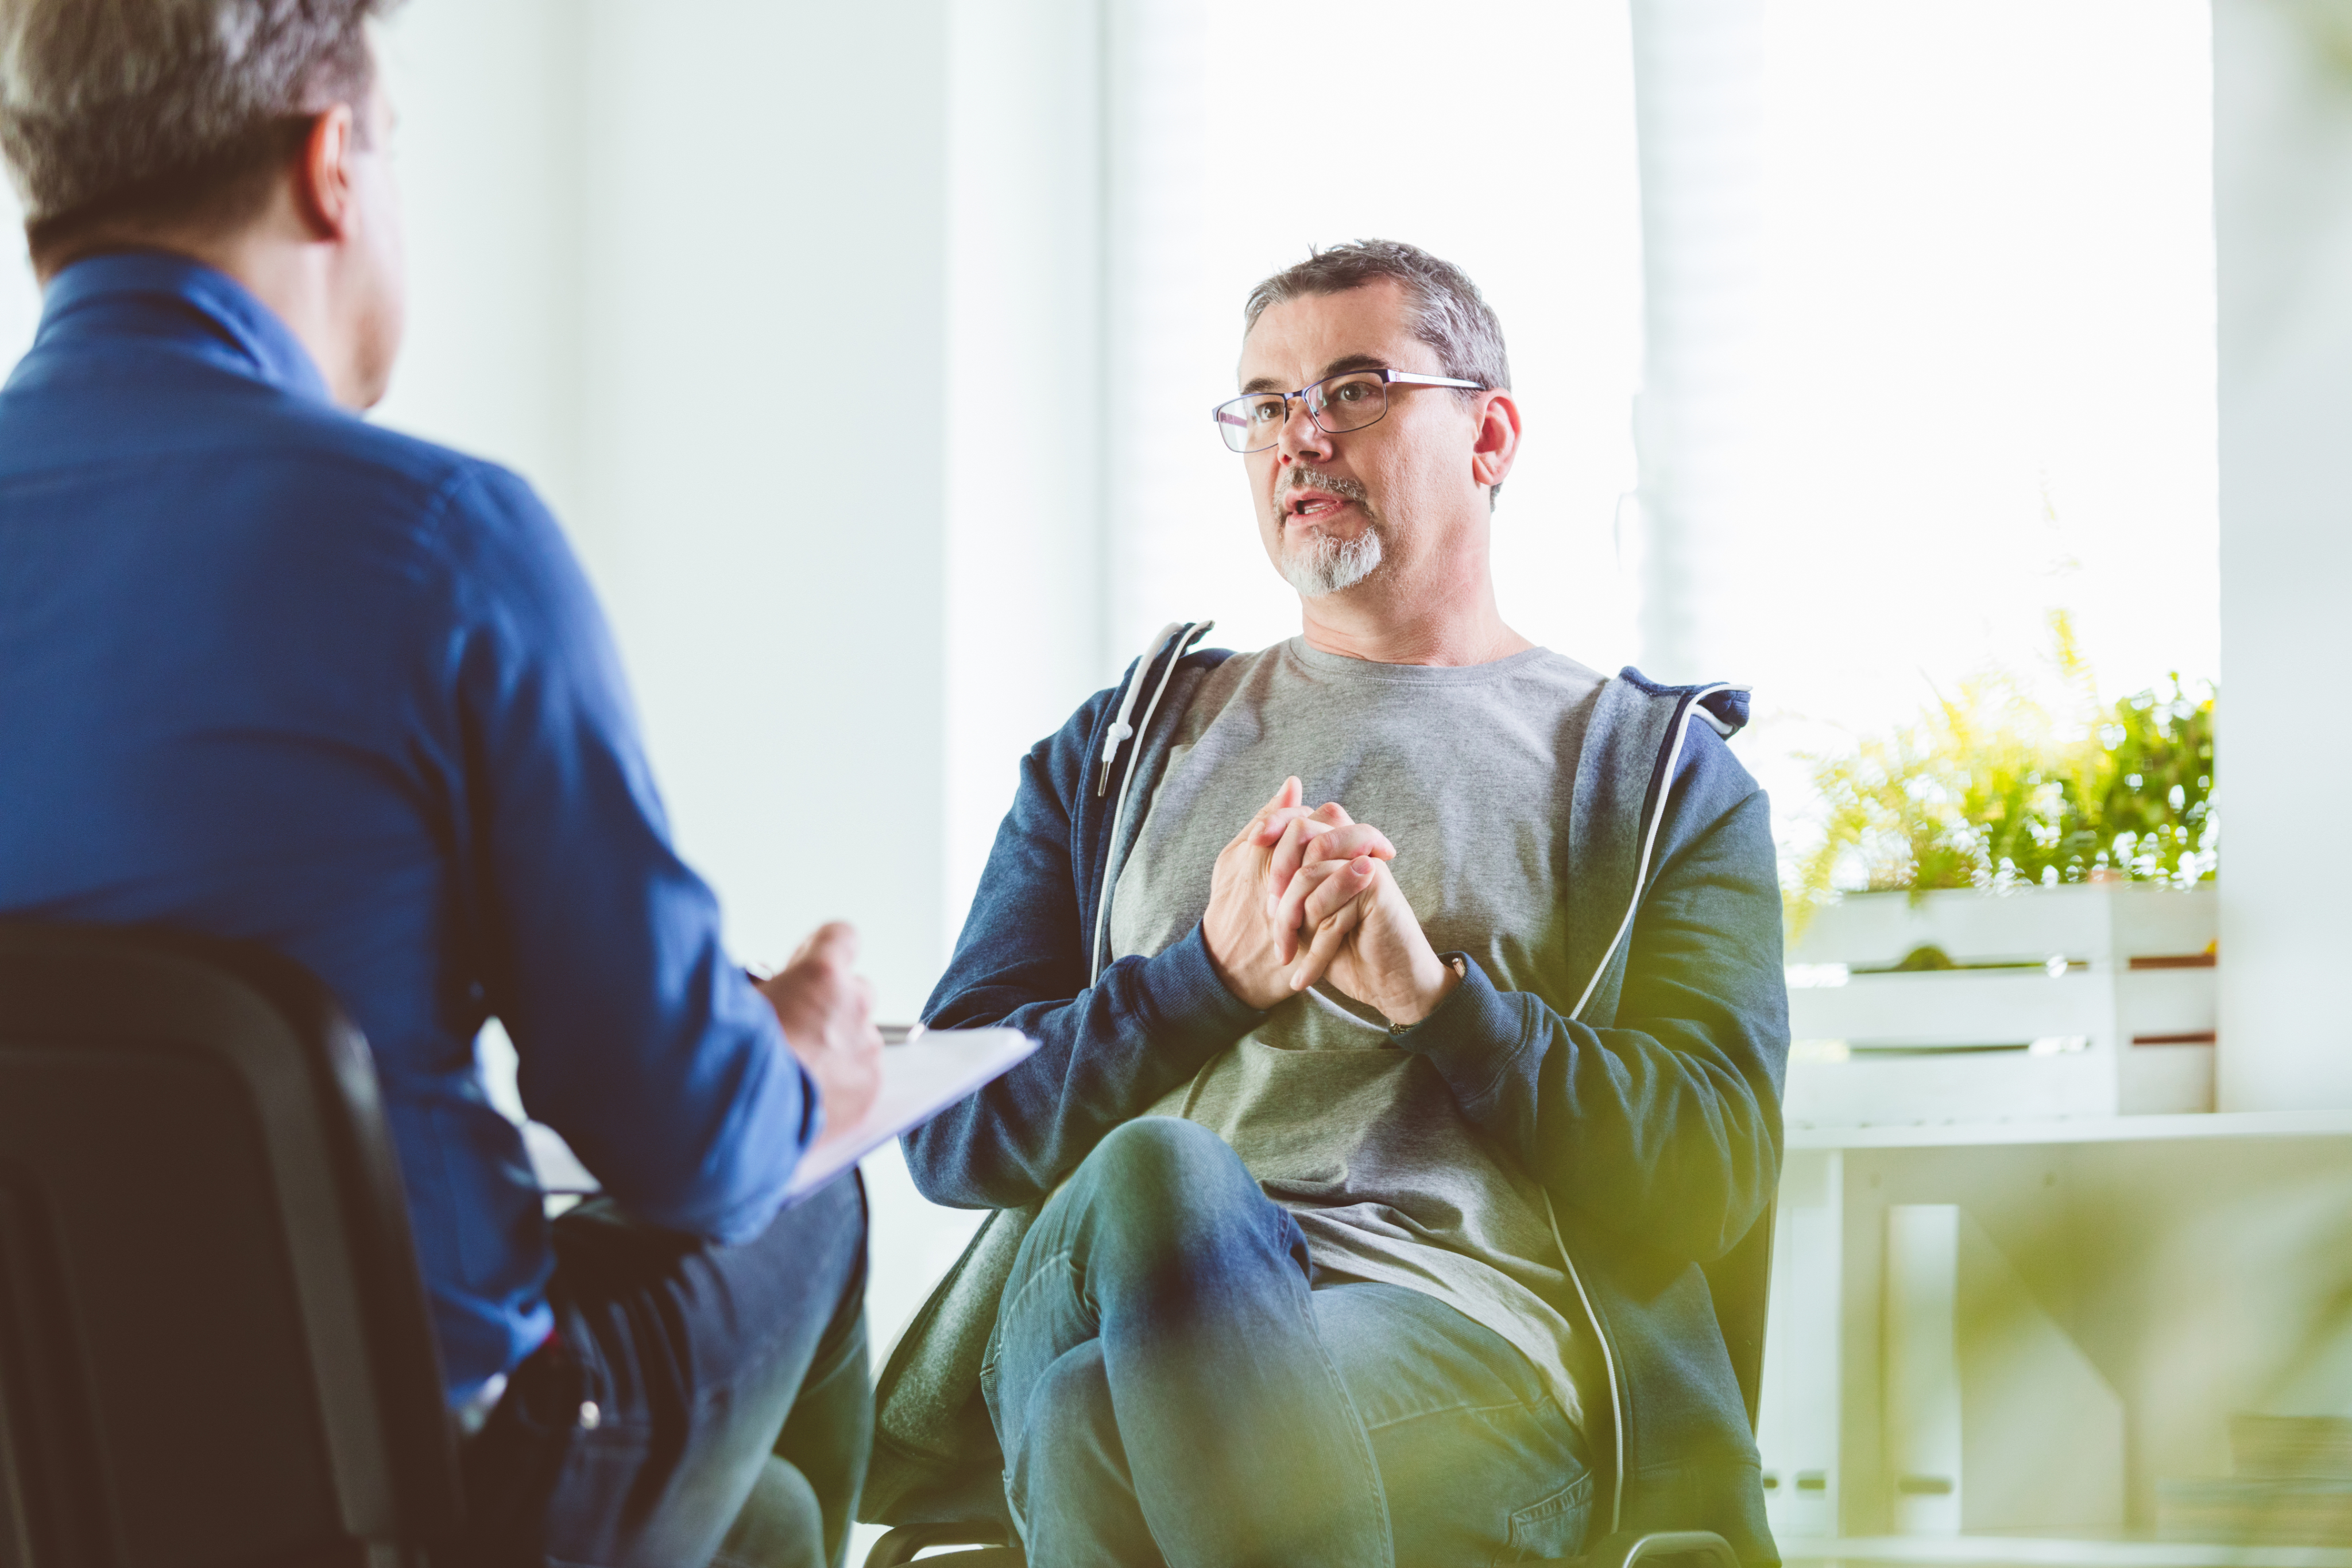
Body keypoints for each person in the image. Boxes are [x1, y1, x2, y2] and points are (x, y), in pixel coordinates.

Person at [0, 5, 879, 1563]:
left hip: (51, 1480)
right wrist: (796, 1055)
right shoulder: (439, 544)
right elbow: (686, 1142)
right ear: (332, 163)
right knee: (815, 1185)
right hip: (421, 1489)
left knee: (770, 1527)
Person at [876, 241, 1789, 1566]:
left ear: (1491, 435)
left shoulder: (1650, 778)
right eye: (1264, 405)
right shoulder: (1125, 748)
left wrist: (1439, 1006)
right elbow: (949, 1133)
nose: (1299, 437)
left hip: (1457, 1342)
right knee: (1163, 1176)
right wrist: (1204, 981)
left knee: (1093, 1424)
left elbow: (1706, 1176)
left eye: (1355, 390)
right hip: (1096, 1284)